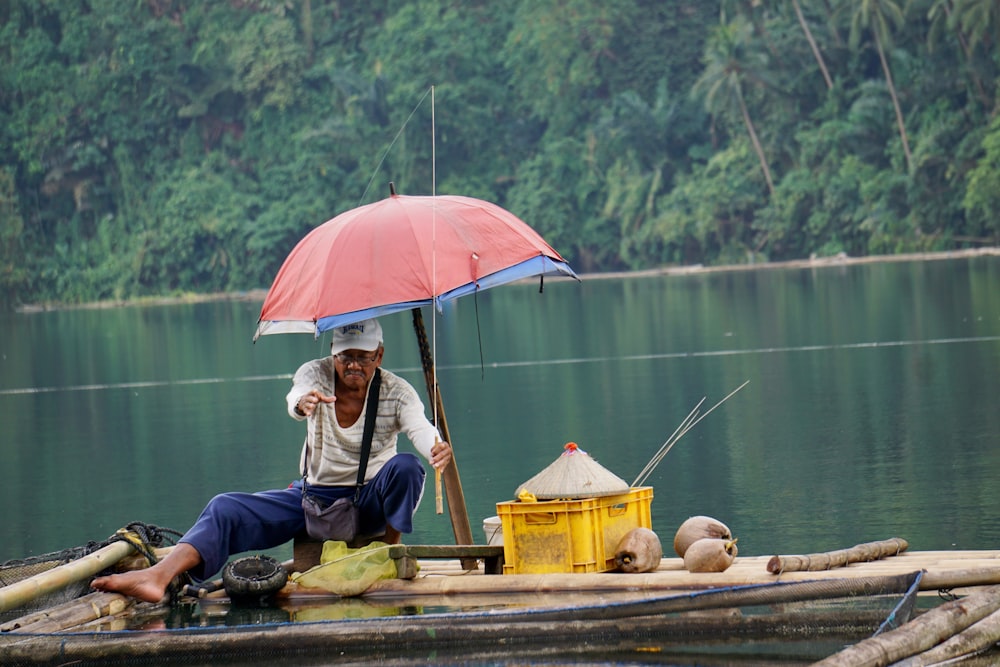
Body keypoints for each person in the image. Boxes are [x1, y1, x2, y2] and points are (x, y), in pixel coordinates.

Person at [92, 318, 452, 604]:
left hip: (369, 502)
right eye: (345, 357)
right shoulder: (315, 374)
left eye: (363, 356)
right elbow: (295, 395)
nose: (353, 365)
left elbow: (420, 426)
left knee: (407, 468)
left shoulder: (396, 391)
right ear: (333, 353)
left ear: (380, 356)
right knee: (224, 508)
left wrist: (435, 445)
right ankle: (159, 576)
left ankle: (389, 551)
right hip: (315, 500)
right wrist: (302, 404)